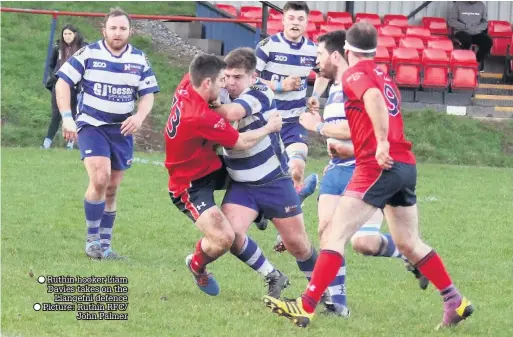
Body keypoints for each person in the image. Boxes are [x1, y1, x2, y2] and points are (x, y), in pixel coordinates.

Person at [262, 22, 474, 329]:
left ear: (345, 51)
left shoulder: (356, 74)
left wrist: (381, 143)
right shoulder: (382, 74)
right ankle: (455, 300)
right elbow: (376, 107)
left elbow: (373, 99)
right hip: (404, 166)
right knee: (409, 243)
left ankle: (305, 306)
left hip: (378, 166)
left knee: (334, 234)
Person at [297, 30, 430, 316]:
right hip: (336, 169)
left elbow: (359, 129)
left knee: (364, 243)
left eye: (320, 55)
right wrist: (316, 102)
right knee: (327, 232)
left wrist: (318, 127)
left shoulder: (354, 82)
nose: (316, 62)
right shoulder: (336, 86)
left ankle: (412, 255)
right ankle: (337, 304)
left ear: (337, 55)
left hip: (363, 166)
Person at [164, 54, 283, 296]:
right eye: (221, 80)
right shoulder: (199, 116)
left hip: (209, 165)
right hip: (189, 185)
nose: (225, 85)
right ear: (207, 82)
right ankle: (197, 266)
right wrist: (269, 128)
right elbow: (240, 142)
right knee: (223, 238)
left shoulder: (189, 81)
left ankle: (268, 208)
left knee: (255, 175)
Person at [212, 47, 321, 301]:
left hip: (273, 181)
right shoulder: (223, 92)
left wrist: (205, 104)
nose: (230, 82)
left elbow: (232, 114)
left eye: (237, 77)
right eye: (227, 76)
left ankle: (328, 296)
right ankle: (273, 276)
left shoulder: (260, 92)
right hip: (242, 185)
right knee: (231, 235)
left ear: (253, 77)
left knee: (297, 245)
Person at [55, 7, 160, 259]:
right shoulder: (88, 53)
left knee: (112, 188)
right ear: (104, 30)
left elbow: (147, 94)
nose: (117, 33)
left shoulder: (139, 59)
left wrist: (139, 117)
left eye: (122, 28)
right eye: (113, 28)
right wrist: (68, 119)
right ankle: (92, 240)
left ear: (129, 32)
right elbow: (62, 82)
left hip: (121, 130)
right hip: (91, 125)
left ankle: (106, 245)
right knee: (100, 178)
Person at [254, 1, 330, 234]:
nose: (295, 23)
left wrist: (315, 95)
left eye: (300, 19)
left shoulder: (312, 50)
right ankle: (261, 211)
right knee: (262, 176)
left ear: (307, 23)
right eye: (291, 18)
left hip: (294, 121)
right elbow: (251, 80)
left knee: (296, 170)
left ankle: (285, 230)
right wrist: (280, 85)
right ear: (283, 20)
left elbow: (323, 74)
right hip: (266, 120)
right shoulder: (267, 46)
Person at [42, 24, 86, 150]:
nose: (67, 36)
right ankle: (47, 142)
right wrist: (54, 77)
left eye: (69, 34)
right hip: (59, 85)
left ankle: (71, 143)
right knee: (56, 114)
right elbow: (51, 64)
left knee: (73, 114)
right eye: (65, 34)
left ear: (75, 34)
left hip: (76, 86)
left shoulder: (83, 48)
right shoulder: (57, 47)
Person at [448, 1, 492, 71]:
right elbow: (451, 21)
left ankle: (476, 61)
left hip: (476, 32)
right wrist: (465, 27)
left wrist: (476, 29)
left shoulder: (481, 5)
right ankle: (465, 62)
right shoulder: (458, 4)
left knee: (487, 41)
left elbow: (485, 23)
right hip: (461, 31)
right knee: (467, 39)